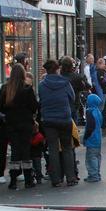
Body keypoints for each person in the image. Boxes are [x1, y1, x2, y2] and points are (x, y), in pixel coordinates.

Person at [0, 64, 39, 190]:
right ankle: (28, 179)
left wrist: (7, 112)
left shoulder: (6, 88)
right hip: (25, 123)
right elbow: (34, 106)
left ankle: (13, 179)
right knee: (26, 150)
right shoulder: (27, 89)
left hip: (11, 123)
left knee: (15, 151)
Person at [39, 58, 78, 187]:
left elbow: (41, 99)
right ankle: (71, 177)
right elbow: (72, 97)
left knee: (53, 149)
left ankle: (56, 179)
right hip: (64, 118)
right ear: (57, 69)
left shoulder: (42, 85)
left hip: (49, 120)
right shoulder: (65, 83)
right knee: (67, 148)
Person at [83, 92, 103, 182]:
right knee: (97, 156)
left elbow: (89, 127)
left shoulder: (90, 112)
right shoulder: (98, 112)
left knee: (91, 158)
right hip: (98, 138)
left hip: (91, 138)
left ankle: (93, 175)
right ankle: (97, 173)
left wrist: (85, 138)